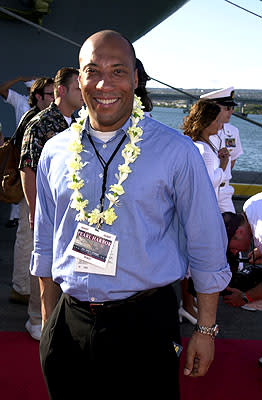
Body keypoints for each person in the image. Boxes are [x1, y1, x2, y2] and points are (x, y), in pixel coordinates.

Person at [31, 30, 231, 399]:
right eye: (93, 71)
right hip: (69, 321)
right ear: (79, 78)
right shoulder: (55, 152)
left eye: (118, 71)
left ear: (135, 79)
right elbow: (45, 240)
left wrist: (205, 329)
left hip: (145, 324)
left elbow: (206, 243)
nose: (105, 83)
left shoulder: (176, 152)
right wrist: (48, 320)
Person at [19, 67, 83, 341]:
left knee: (69, 260)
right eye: (78, 88)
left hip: (72, 208)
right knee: (43, 262)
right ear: (61, 91)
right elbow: (27, 168)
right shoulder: (42, 123)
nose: (84, 93)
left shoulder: (80, 122)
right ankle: (36, 317)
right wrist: (35, 211)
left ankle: (64, 314)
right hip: (46, 206)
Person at [9, 77, 54, 339]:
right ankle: (21, 287)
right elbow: (28, 163)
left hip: (35, 186)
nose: (52, 98)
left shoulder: (36, 117)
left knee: (26, 240)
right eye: (48, 94)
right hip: (32, 187)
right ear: (37, 96)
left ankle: (22, 286)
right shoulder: (35, 120)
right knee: (26, 239)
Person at [200, 87, 243, 213]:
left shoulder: (233, 131)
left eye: (232, 108)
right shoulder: (202, 132)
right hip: (207, 190)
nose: (231, 112)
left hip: (224, 191)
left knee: (231, 228)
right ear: (213, 108)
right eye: (227, 108)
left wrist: (222, 176)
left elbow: (233, 159)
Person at [0, 76, 35, 227]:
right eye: (30, 89)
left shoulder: (47, 103)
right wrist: (19, 78)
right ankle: (15, 218)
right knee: (16, 180)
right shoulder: (21, 100)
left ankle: (24, 216)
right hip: (19, 148)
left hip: (37, 149)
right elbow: (2, 90)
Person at [183, 100, 230, 199]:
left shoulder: (194, 144)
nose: (219, 124)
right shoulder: (205, 151)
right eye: (216, 120)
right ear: (205, 122)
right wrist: (223, 165)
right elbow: (208, 183)